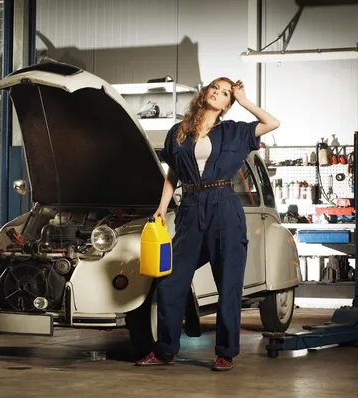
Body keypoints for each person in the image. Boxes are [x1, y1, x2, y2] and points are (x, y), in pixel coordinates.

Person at [135, 77, 280, 371]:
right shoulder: (179, 132)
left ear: (228, 103)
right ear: (205, 92)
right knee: (170, 280)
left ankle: (225, 352)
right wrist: (163, 206)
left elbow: (272, 122)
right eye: (216, 87)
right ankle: (165, 350)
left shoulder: (235, 131)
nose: (218, 93)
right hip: (189, 208)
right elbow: (173, 173)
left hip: (224, 206)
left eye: (225, 92)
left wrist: (244, 99)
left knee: (228, 282)